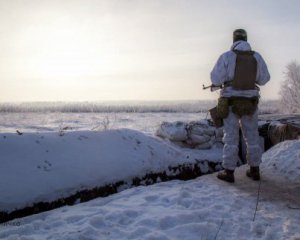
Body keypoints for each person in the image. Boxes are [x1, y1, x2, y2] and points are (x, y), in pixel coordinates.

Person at [210, 29, 270, 183]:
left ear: (233, 40)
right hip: (250, 102)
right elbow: (264, 79)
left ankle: (229, 172)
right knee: (252, 137)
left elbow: (215, 78)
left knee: (231, 137)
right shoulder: (257, 56)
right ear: (246, 39)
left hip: (230, 101)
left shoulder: (227, 56)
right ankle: (255, 170)